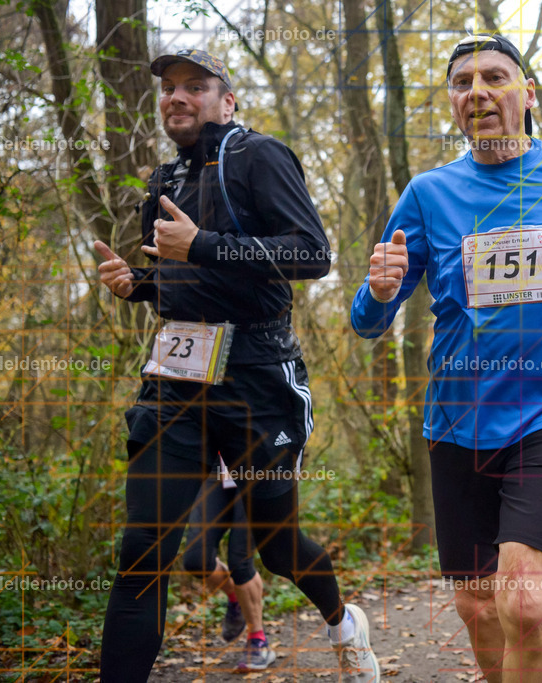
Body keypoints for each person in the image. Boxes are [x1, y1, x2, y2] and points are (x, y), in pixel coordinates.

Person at [351, 33, 542, 681]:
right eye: (463, 83)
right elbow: (367, 319)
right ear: (453, 103)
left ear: (527, 93)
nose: (478, 92)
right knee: (479, 606)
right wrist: (376, 291)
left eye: (494, 77)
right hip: (458, 420)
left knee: (529, 597)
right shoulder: (429, 194)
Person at [93, 49, 379, 682]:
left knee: (276, 548)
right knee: (143, 552)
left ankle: (342, 622)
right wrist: (138, 284)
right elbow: (182, 281)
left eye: (195, 86)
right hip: (174, 379)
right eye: (169, 88)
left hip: (258, 377)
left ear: (227, 102)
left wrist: (203, 244)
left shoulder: (258, 155)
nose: (177, 97)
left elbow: (311, 253)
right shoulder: (163, 181)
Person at [181, 459, 272, 670]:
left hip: (257, 468)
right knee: (196, 560)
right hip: (218, 467)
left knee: (240, 561)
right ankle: (236, 597)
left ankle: (257, 639)